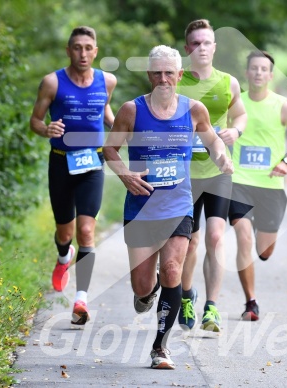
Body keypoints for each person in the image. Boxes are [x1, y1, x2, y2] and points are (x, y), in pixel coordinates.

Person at [103, 45, 233, 369]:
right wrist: (125, 175)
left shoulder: (194, 110)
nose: (163, 78)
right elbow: (109, 149)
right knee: (142, 286)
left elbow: (212, 139)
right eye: (157, 73)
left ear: (179, 75)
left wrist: (221, 155)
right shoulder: (131, 111)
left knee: (173, 269)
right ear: (150, 75)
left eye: (169, 73)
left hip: (178, 205)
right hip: (141, 208)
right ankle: (150, 291)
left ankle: (160, 348)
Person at [29, 26, 117, 325]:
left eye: (88, 47)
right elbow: (35, 120)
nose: (83, 53)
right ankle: (63, 257)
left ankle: (81, 298)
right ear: (69, 50)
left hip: (92, 163)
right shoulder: (52, 82)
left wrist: (118, 130)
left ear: (96, 50)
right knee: (65, 233)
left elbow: (105, 110)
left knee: (87, 231)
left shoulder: (108, 81)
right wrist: (46, 129)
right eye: (77, 47)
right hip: (61, 163)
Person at [176, 19, 247, 332]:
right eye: (196, 43)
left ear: (214, 47)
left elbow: (241, 113)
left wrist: (235, 129)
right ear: (186, 48)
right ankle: (187, 294)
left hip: (218, 170)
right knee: (190, 243)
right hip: (184, 175)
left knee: (216, 237)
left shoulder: (228, 82)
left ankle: (211, 307)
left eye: (207, 43)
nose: (201, 48)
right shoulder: (175, 82)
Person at [229, 51, 287, 321]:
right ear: (247, 73)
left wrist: (286, 162)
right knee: (243, 236)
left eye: (264, 69)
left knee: (264, 250)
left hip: (271, 185)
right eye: (254, 68)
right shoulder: (234, 104)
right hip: (239, 181)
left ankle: (260, 248)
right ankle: (250, 302)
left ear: (271, 75)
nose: (259, 73)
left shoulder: (283, 106)